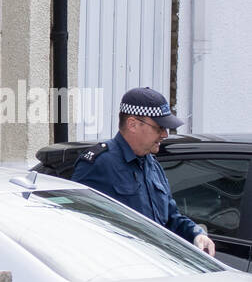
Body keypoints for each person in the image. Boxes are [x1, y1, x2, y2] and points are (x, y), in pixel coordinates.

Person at [72, 87, 216, 256]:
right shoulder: (100, 163)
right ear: (132, 124)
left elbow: (170, 218)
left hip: (158, 265)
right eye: (160, 127)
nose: (165, 135)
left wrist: (196, 234)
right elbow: (79, 225)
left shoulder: (152, 164)